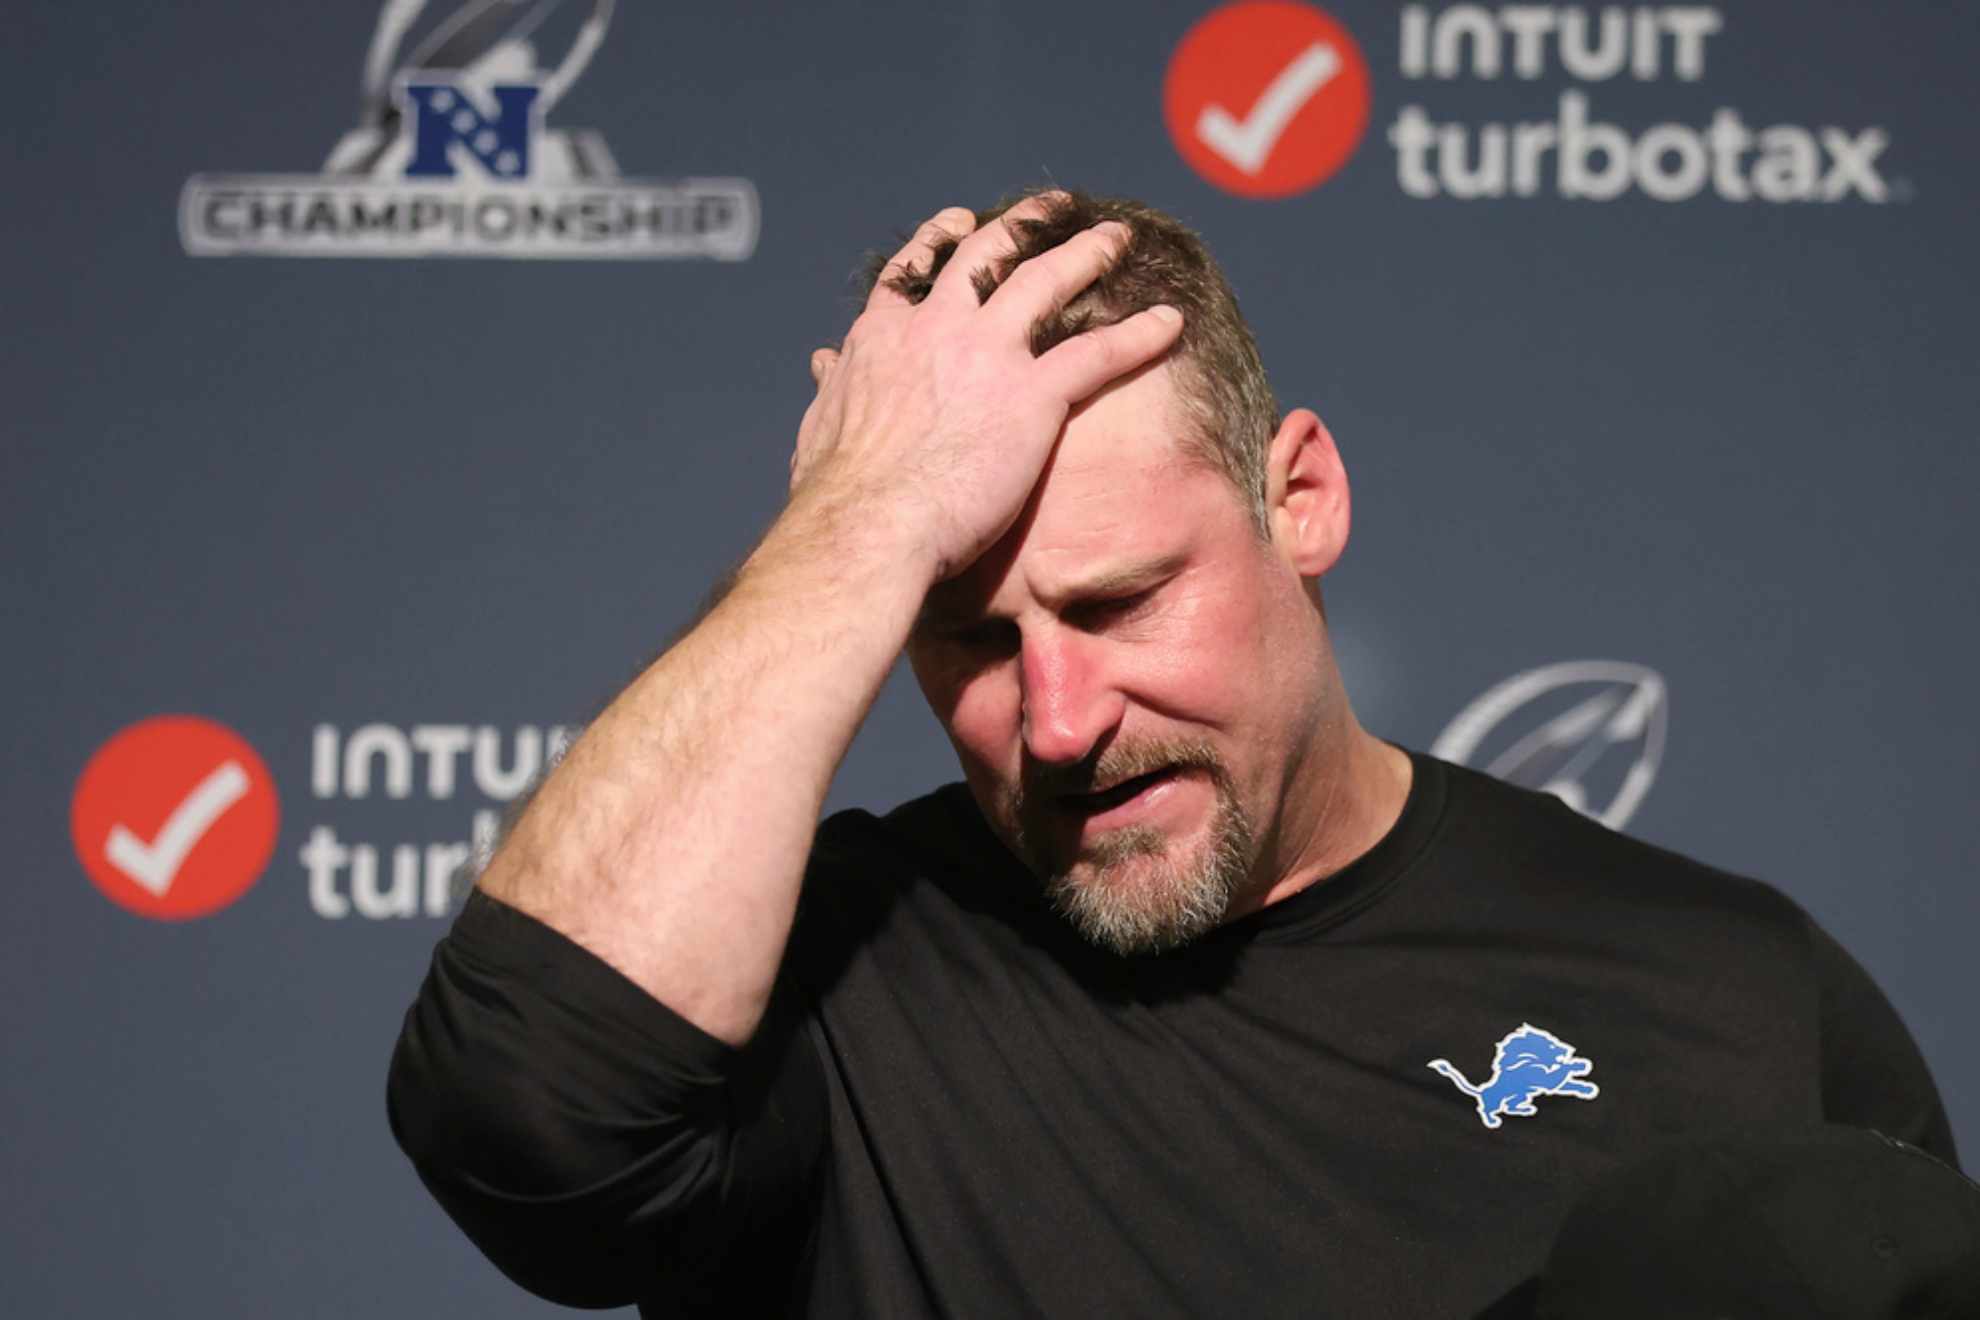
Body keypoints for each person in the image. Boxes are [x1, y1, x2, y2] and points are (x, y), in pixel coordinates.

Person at [387, 189, 1957, 1317]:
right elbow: (522, 1118)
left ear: (1305, 502)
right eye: (969, 633)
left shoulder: (1729, 983)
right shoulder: (831, 994)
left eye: (1121, 600)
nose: (1061, 719)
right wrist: (859, 522)